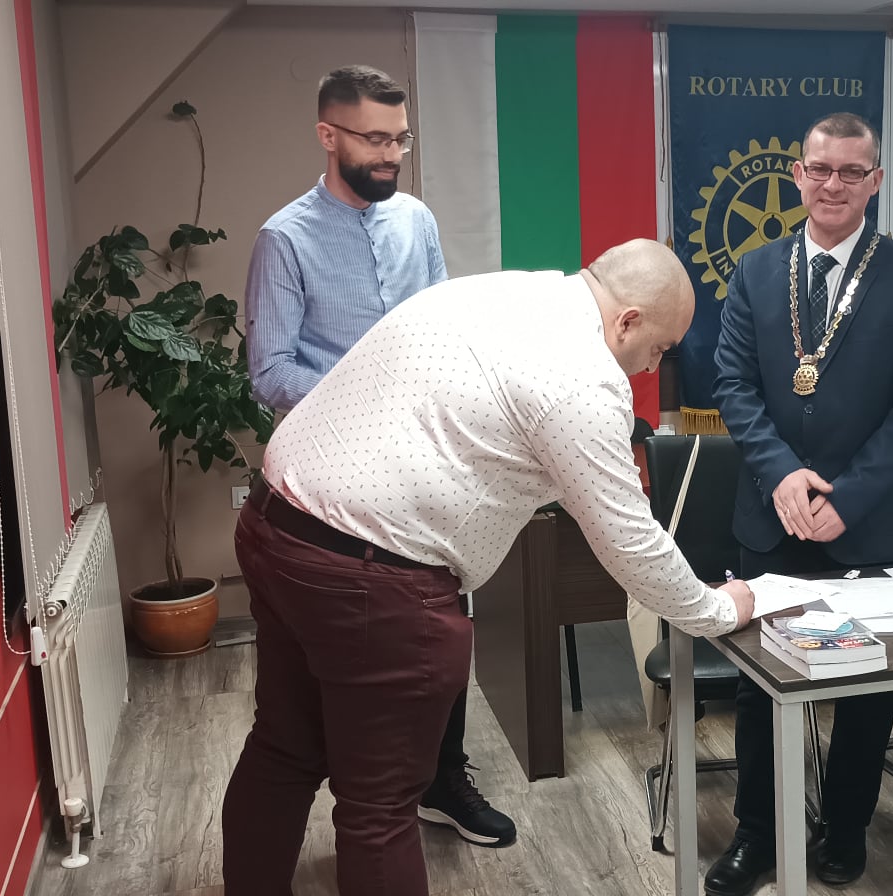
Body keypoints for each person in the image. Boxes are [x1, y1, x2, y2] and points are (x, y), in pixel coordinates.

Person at [222, 239, 758, 896]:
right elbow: (629, 542)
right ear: (628, 321)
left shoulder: (503, 290)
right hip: (370, 575)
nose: (652, 367)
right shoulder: (583, 378)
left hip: (276, 525)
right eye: (659, 348)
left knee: (283, 746)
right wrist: (717, 609)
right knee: (378, 806)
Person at [242, 66, 513, 851]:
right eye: (374, 139)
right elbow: (270, 372)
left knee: (442, 616)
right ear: (328, 136)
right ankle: (375, 784)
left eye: (401, 139)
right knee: (357, 655)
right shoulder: (285, 239)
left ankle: (443, 779)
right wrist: (373, 388)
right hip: (336, 484)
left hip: (425, 465)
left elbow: (440, 325)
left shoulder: (416, 221)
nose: (391, 154)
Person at [707, 112, 893, 895]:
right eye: (819, 169)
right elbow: (733, 385)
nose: (833, 185)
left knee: (868, 686)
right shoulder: (755, 271)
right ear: (798, 175)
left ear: (875, 181)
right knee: (760, 686)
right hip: (771, 514)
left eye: (851, 172)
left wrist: (850, 498)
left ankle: (846, 827)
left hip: (871, 519)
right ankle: (757, 833)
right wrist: (782, 474)